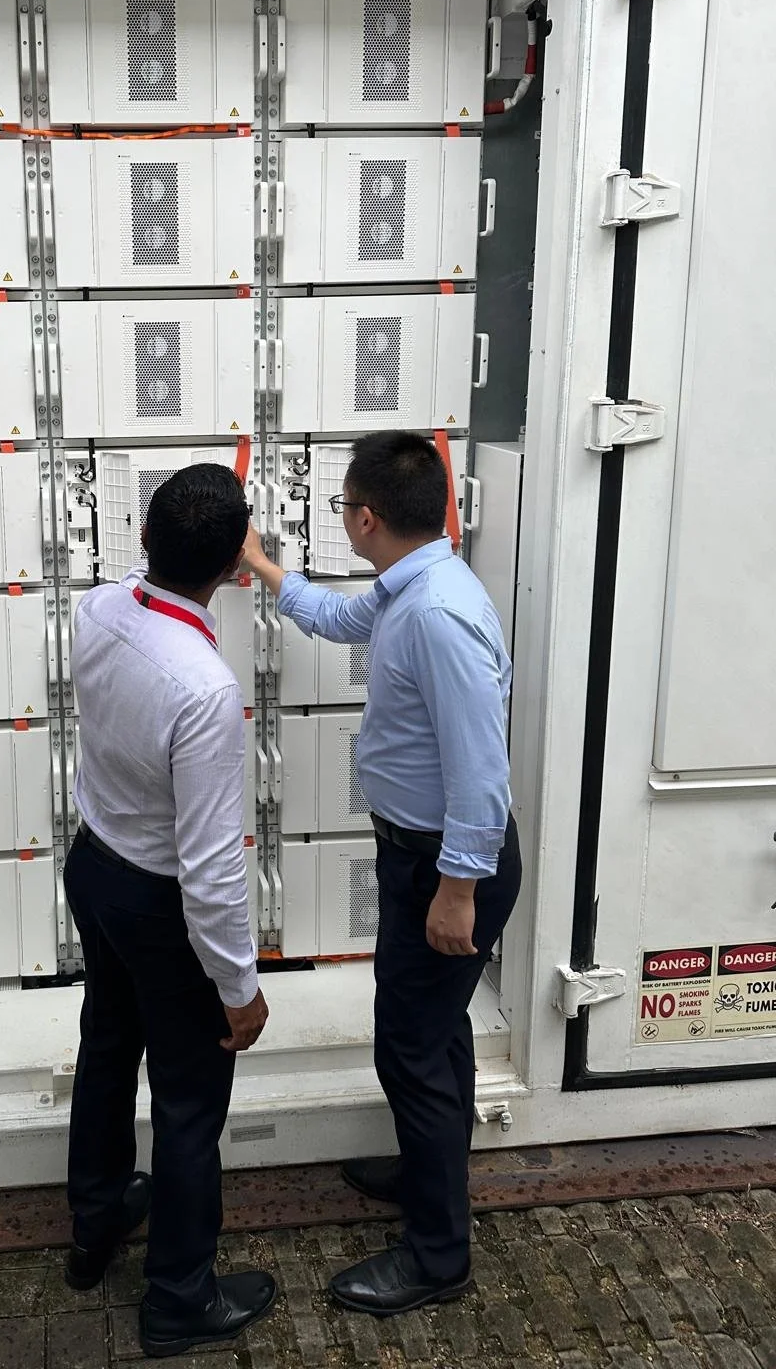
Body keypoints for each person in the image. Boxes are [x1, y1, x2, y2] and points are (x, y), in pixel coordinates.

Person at [243, 431, 521, 1318]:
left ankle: (439, 1256)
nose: (345, 524)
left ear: (365, 518)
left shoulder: (436, 613)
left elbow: (482, 767)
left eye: (341, 511)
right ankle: (424, 1169)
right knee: (435, 1035)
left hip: (446, 865)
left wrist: (456, 888)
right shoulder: (412, 586)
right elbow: (334, 618)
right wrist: (262, 566)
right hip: (427, 857)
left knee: (409, 1048)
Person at [63, 462, 277, 1358]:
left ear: (142, 539)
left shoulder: (99, 610)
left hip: (95, 865)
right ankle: (178, 1298)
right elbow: (212, 872)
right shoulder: (205, 689)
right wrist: (239, 986)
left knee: (109, 1047)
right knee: (189, 1103)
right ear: (235, 566)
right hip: (159, 902)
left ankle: (96, 1225)